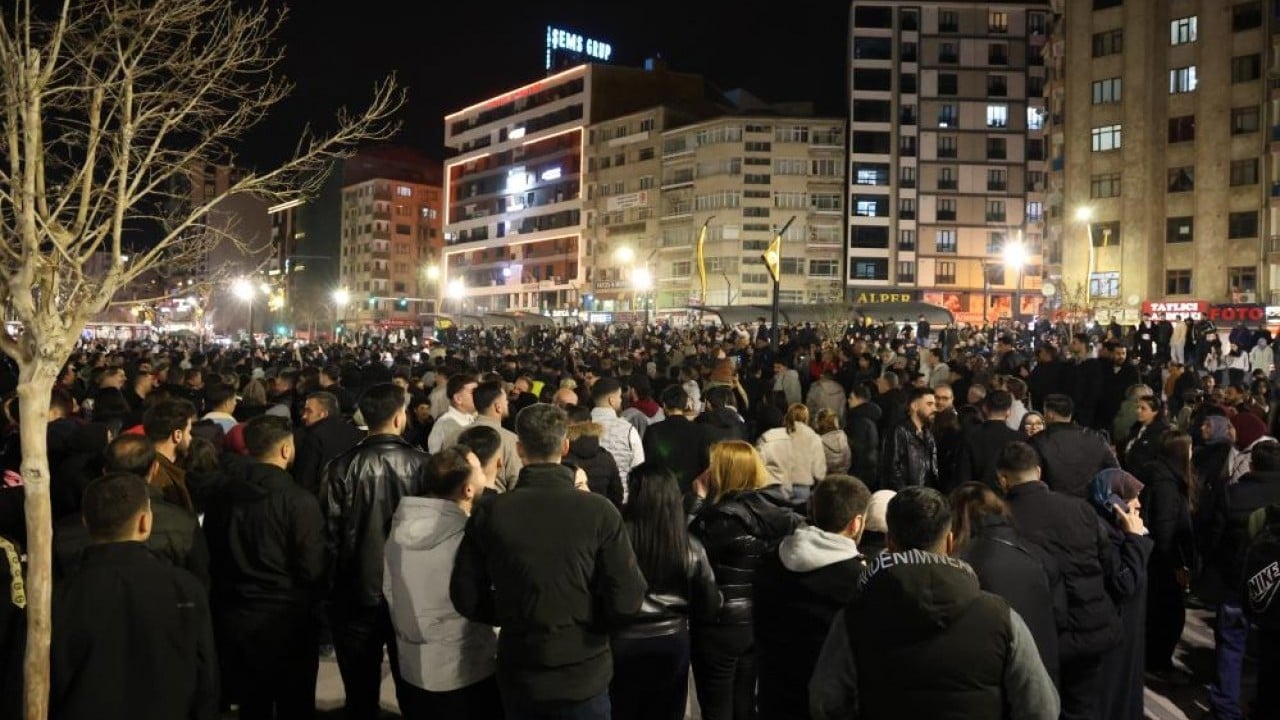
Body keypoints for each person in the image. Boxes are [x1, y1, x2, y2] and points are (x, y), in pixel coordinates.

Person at [451, 403, 646, 720]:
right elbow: (627, 598)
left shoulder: (492, 512)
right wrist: (592, 623)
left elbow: (465, 595)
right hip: (584, 667)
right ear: (565, 445)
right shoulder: (598, 511)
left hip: (521, 665)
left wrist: (514, 613)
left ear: (519, 448)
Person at [809, 486, 1060, 720]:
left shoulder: (855, 618)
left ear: (890, 543)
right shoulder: (1000, 617)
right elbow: (1042, 708)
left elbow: (825, 702)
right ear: (949, 543)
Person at [50, 472, 219, 720]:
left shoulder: (60, 597)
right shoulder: (185, 588)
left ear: (86, 522)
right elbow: (206, 679)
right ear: (144, 522)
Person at [204, 415, 327, 720]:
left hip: (237, 613)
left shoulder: (223, 496)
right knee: (295, 703)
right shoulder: (299, 501)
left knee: (252, 703)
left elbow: (212, 550)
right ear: (286, 449)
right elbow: (312, 567)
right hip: (289, 619)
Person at [997, 441, 1129, 720]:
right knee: (1083, 707)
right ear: (1038, 471)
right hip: (1090, 626)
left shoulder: (1002, 518)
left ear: (1002, 477)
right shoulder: (1080, 509)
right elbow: (1107, 563)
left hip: (1039, 636)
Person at [321, 382, 428, 720]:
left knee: (359, 690)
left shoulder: (340, 467)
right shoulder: (423, 465)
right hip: (410, 591)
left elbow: (329, 536)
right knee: (413, 687)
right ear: (399, 418)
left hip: (354, 590)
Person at [384, 445, 502, 719]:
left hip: (413, 664)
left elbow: (390, 590)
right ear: (467, 490)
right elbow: (477, 600)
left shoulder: (397, 530)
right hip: (466, 667)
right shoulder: (466, 537)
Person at [687, 440, 802, 720]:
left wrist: (697, 500)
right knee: (745, 703)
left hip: (719, 622)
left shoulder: (719, 519)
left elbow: (682, 551)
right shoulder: (779, 514)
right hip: (759, 620)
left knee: (716, 705)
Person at [610, 463, 721, 720]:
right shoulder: (690, 547)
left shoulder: (615, 543)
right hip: (671, 641)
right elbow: (710, 603)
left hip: (621, 640)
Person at [754, 474, 870, 720]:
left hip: (773, 696)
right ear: (857, 523)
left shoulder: (772, 560)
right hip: (823, 704)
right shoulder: (858, 581)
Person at [949, 482, 1065, 685]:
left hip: (989, 679)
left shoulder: (958, 563)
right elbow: (1060, 617)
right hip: (1042, 674)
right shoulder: (1038, 555)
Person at [1201, 439, 1280, 720]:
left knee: (1231, 645)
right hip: (1273, 588)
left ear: (1253, 464)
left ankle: (1225, 707)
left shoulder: (1234, 494)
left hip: (1236, 580)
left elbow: (1215, 537)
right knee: (1270, 653)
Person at [1087, 469, 1153, 720]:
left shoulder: (1115, 531)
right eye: (1131, 497)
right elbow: (1125, 582)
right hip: (1115, 634)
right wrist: (1135, 539)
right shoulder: (1106, 536)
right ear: (1112, 502)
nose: (1138, 503)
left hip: (1127, 634)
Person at [1135, 430, 1197, 678]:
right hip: (1162, 559)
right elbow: (1165, 527)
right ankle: (1157, 664)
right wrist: (1177, 564)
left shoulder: (1159, 474)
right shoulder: (1166, 484)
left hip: (1155, 557)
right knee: (1169, 615)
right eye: (1190, 448)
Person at [1029, 394, 1119, 498]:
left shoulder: (1037, 441)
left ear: (1049, 414)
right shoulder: (1096, 438)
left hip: (1053, 506)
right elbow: (1115, 471)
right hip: (1091, 507)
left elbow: (1030, 478)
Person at [642, 385, 711, 493]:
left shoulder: (653, 431)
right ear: (685, 405)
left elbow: (647, 464)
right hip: (690, 492)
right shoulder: (699, 431)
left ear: (664, 405)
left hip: (661, 492)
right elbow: (705, 464)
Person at [293, 391, 364, 496]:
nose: (304, 416)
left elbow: (305, 480)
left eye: (309, 411)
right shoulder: (358, 433)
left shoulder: (313, 437)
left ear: (324, 414)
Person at [954, 389, 1025, 492]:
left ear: (985, 408)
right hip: (1011, 500)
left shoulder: (969, 436)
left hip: (979, 500)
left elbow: (963, 476)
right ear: (1008, 412)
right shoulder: (1021, 439)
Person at [589, 377, 645, 502]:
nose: (621, 400)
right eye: (620, 397)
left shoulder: (580, 426)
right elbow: (639, 468)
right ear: (611, 400)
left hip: (587, 501)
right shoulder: (628, 430)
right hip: (621, 501)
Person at [756, 403, 826, 500]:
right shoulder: (814, 439)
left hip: (777, 487)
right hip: (802, 488)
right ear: (807, 419)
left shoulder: (770, 436)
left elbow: (759, 463)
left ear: (787, 416)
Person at [142, 398, 198, 512]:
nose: (191, 437)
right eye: (189, 432)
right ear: (177, 435)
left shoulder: (143, 464)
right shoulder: (163, 479)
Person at [879, 386, 938, 490]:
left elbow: (931, 471)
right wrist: (908, 496)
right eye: (929, 404)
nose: (934, 409)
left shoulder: (928, 435)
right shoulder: (898, 431)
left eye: (934, 404)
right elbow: (892, 470)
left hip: (924, 496)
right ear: (914, 406)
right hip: (906, 498)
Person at [427, 372, 478, 453]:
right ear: (458, 399)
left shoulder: (471, 418)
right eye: (473, 392)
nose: (478, 395)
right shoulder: (445, 425)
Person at [846, 382, 880, 485]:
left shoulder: (859, 420)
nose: (848, 400)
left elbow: (858, 447)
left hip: (861, 470)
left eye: (851, 398)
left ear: (859, 399)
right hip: (871, 465)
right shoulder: (869, 417)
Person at [816, 408, 852, 475]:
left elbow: (818, 466)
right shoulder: (843, 437)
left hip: (825, 481)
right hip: (843, 478)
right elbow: (848, 460)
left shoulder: (818, 442)